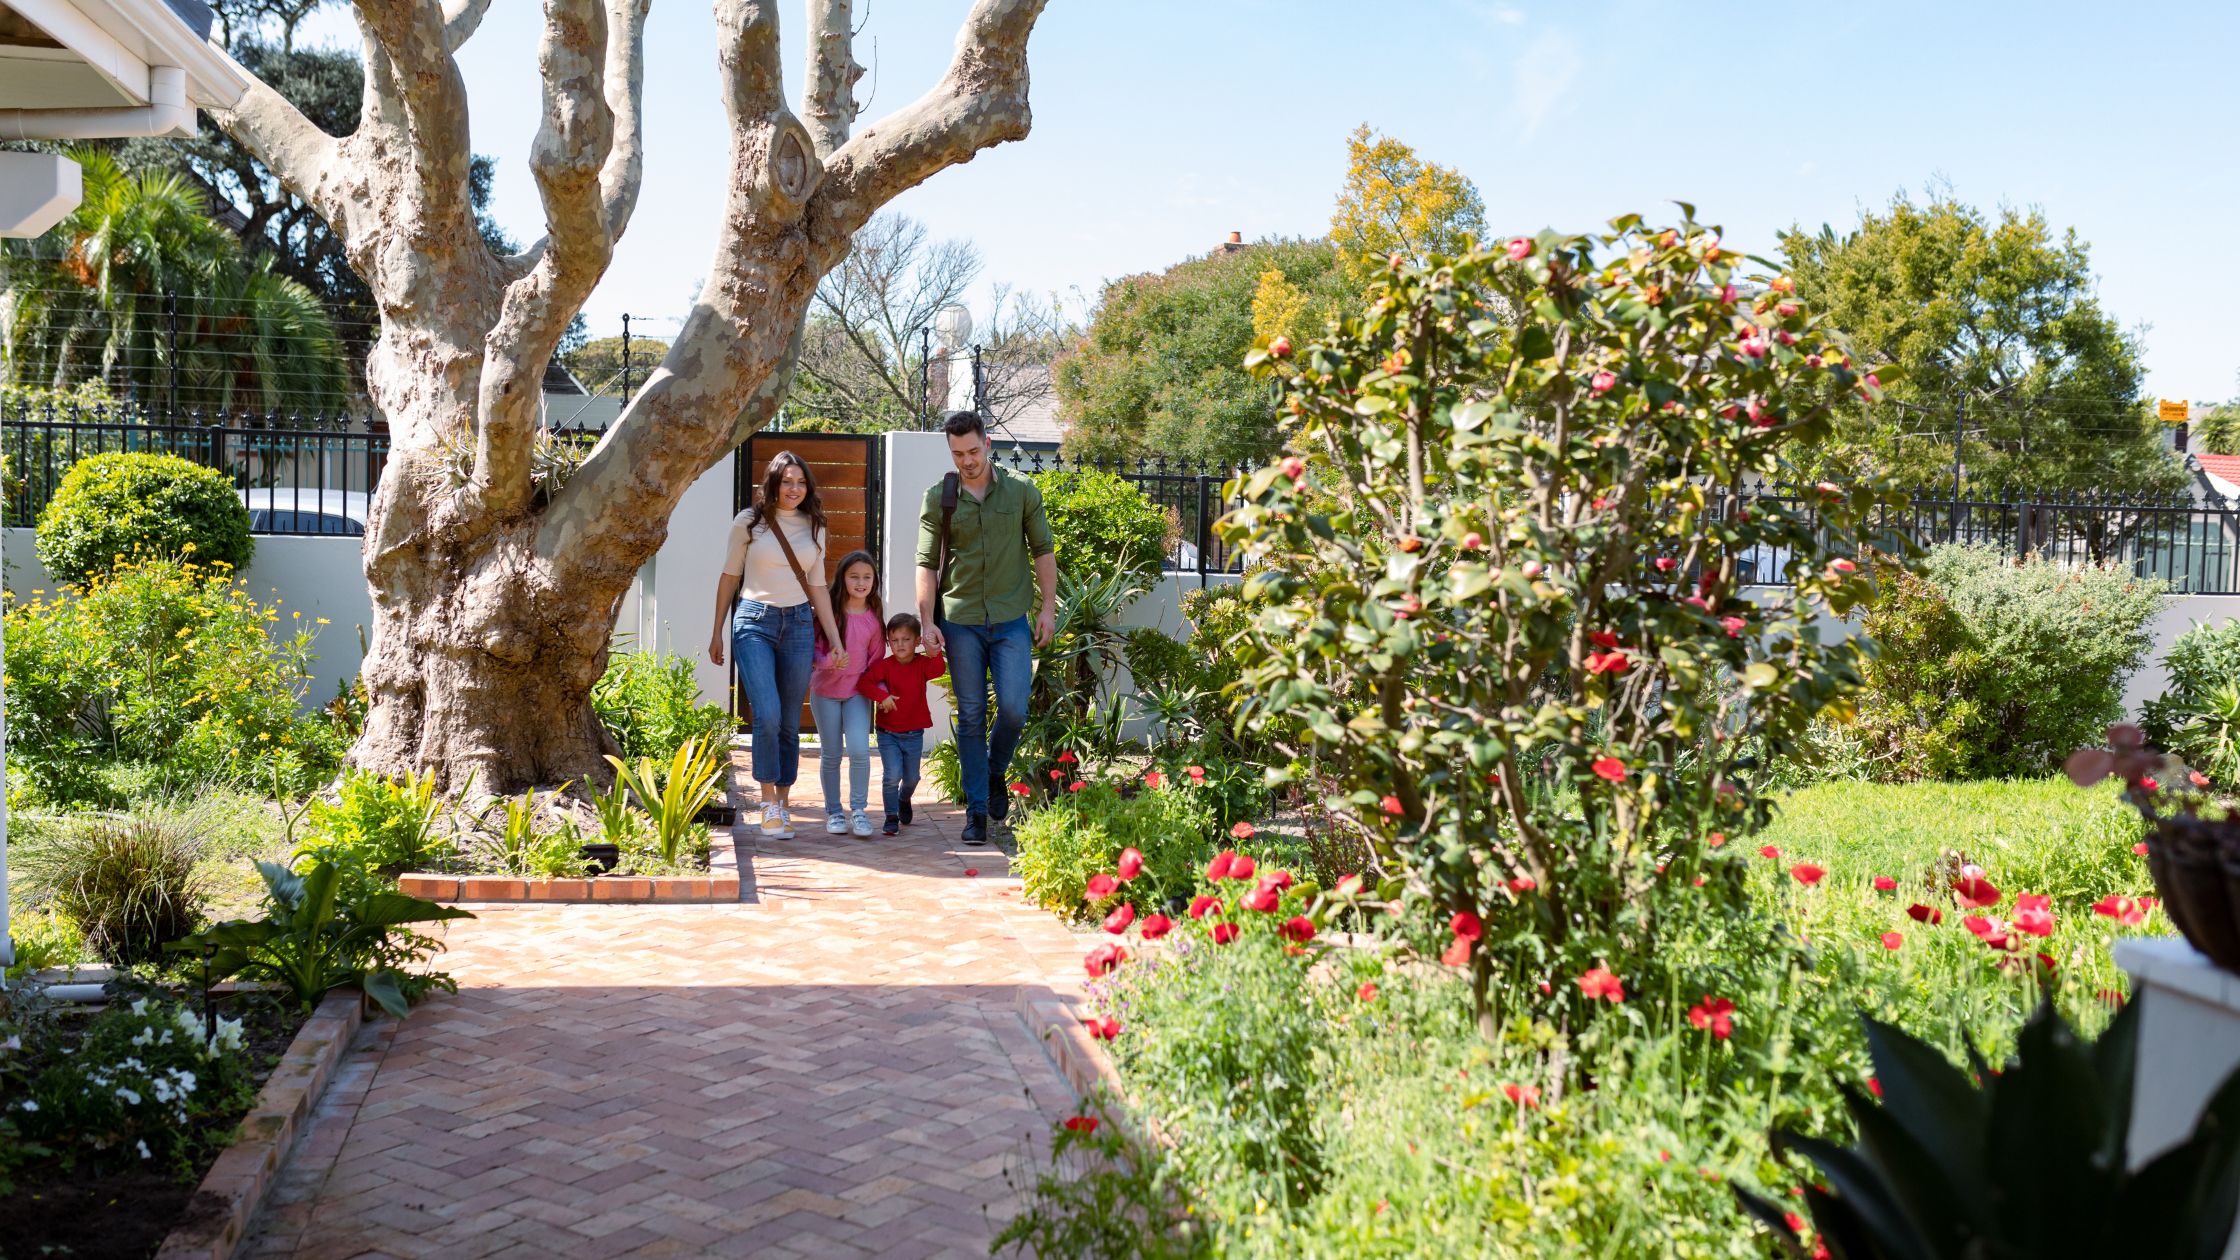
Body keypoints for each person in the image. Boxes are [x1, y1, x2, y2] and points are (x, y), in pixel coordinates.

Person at [915, 409, 1056, 846]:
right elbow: (926, 564)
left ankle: (996, 772)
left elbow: (1043, 551)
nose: (967, 460)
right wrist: (926, 622)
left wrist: (1047, 608)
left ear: (988, 444)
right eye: (958, 454)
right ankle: (976, 811)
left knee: (1014, 707)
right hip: (960, 623)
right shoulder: (940, 496)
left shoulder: (1020, 492)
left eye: (973, 451)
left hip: (1011, 618)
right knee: (972, 715)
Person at [708, 451, 847, 841]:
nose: (794, 489)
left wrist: (835, 639)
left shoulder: (816, 525)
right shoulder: (749, 522)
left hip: (800, 624)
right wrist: (716, 630)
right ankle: (768, 800)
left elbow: (818, 585)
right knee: (767, 714)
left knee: (789, 720)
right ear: (773, 482)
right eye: (787, 481)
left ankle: (783, 804)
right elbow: (729, 575)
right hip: (754, 621)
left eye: (801, 482)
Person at [811, 550, 884, 838]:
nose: (861, 582)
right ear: (842, 578)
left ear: (874, 581)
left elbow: (877, 662)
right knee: (831, 754)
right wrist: (830, 662)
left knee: (859, 750)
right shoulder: (829, 613)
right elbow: (813, 652)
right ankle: (834, 812)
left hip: (857, 694)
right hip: (825, 692)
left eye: (867, 577)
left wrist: (881, 694)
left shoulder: (874, 620)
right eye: (854, 576)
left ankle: (859, 811)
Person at [856, 613, 947, 836]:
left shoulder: (922, 663)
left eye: (906, 639)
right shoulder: (884, 666)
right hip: (888, 732)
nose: (900, 645)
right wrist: (881, 696)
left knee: (912, 777)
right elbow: (863, 683)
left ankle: (903, 797)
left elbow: (939, 670)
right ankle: (891, 817)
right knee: (891, 775)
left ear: (917, 641)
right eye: (894, 640)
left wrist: (933, 650)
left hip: (914, 733)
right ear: (888, 642)